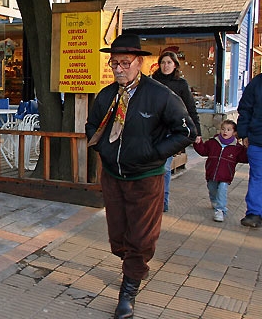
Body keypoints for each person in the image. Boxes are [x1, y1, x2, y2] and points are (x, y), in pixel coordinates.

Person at [85, 33, 196, 319]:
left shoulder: (161, 95)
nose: (118, 69)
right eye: (114, 63)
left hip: (146, 178)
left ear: (140, 63)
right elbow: (92, 126)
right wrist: (104, 151)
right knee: (119, 236)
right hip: (113, 176)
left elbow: (187, 131)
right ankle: (133, 265)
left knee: (141, 238)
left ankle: (128, 290)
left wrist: (153, 153)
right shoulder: (107, 95)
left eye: (124, 63)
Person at [151, 47, 202, 212]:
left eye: (169, 62)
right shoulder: (153, 81)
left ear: (175, 65)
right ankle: (152, 198)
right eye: (163, 62)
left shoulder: (181, 84)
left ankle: (162, 202)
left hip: (172, 130)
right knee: (152, 166)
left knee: (164, 167)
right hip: (153, 129)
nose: (165, 66)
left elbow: (190, 108)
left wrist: (197, 131)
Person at [193, 119, 248, 222]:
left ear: (234, 133)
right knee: (212, 188)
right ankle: (214, 200)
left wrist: (247, 149)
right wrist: (198, 143)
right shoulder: (213, 142)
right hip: (211, 173)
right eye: (223, 129)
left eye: (228, 129)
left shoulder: (237, 148)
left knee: (222, 189)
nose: (225, 132)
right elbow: (203, 150)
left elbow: (244, 158)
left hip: (225, 175)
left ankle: (220, 210)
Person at [236, 73, 262, 227]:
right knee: (257, 177)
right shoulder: (257, 83)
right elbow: (245, 109)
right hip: (258, 140)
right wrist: (244, 133)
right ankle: (254, 213)